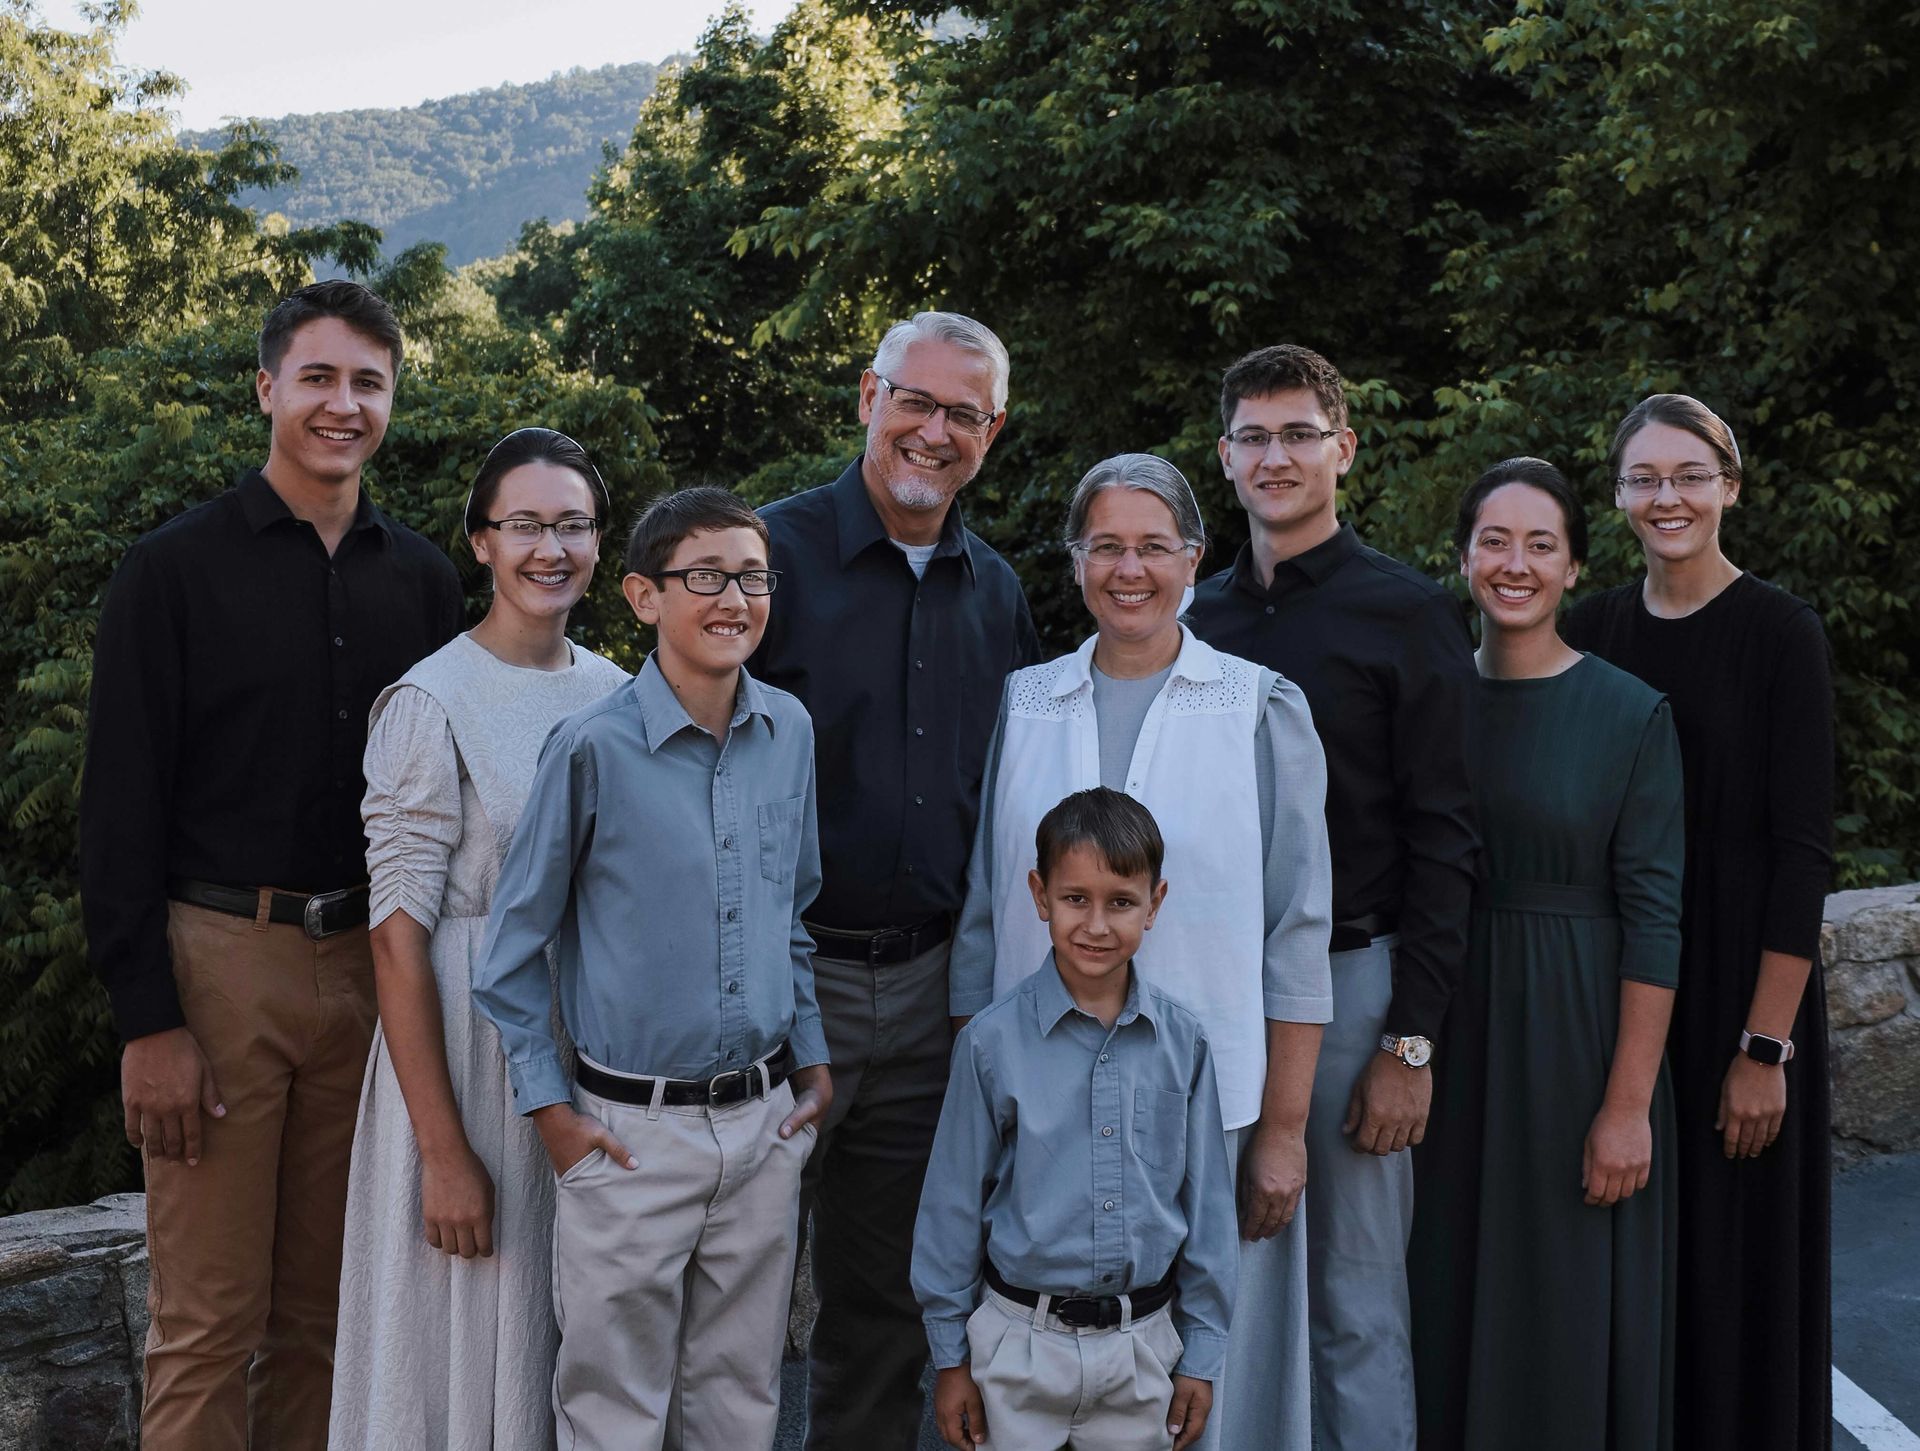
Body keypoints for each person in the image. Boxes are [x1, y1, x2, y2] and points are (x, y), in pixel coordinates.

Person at [78, 280, 464, 1450]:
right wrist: (149, 1018)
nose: (343, 404)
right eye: (318, 377)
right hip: (219, 966)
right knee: (206, 1320)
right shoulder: (172, 571)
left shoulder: (428, 582)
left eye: (367, 382)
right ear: (266, 388)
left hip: (374, 969)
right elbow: (117, 807)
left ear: (391, 399)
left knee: (327, 1315)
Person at [950, 452, 1332, 1451]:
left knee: (1204, 1385)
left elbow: (1297, 925)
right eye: (1105, 545)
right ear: (1075, 561)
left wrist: (1285, 1126)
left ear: (1195, 559)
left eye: (1153, 545)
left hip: (1213, 1105)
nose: (1130, 568)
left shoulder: (1259, 705)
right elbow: (988, 911)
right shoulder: (1026, 700)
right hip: (1033, 1107)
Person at [471, 486, 831, 1451]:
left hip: (762, 1130)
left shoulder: (788, 730)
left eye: (752, 577)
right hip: (629, 1136)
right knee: (614, 1411)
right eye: (705, 576)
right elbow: (508, 955)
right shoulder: (591, 748)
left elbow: (792, 909)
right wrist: (553, 1113)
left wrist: (814, 1055)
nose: (733, 599)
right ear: (642, 596)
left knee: (739, 1402)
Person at [747, 310, 1041, 1448]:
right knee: (724, 1285)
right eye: (913, 400)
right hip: (778, 985)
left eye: (961, 413)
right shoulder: (763, 557)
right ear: (867, 397)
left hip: (928, 995)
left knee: (885, 1303)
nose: (933, 430)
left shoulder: (998, 594)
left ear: (993, 431)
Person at [1182, 343, 1477, 1451]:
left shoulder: (1406, 614)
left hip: (1357, 992)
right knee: (1221, 1288)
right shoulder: (1190, 618)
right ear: (1224, 456)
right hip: (1211, 988)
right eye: (1253, 435)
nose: (1275, 455)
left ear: (1342, 448)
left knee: (1355, 1302)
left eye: (1298, 432)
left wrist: (1412, 1040)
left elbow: (1448, 842)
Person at [328, 429, 628, 1450]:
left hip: (592, 1043)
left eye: (574, 524)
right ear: (482, 543)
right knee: (466, 1338)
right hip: (466, 1045)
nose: (553, 547)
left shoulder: (621, 690)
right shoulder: (430, 701)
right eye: (527, 524)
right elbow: (396, 941)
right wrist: (443, 1150)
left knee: (577, 1342)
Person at [1563, 395, 1834, 1451]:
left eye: (1688, 473)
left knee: (1738, 1279)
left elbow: (1802, 852)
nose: (1665, 496)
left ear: (1730, 483)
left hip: (1737, 998)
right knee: (1634, 1271)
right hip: (1620, 993)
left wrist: (1764, 1045)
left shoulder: (1781, 633)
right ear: (1621, 493)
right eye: (1644, 477)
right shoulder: (1590, 631)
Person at [1409, 457, 1682, 1451]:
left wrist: (1626, 1107)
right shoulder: (1425, 697)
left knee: (1562, 1298)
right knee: (1439, 1284)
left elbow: (1657, 918)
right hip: (1443, 1030)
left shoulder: (1630, 711)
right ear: (1464, 557)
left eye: (1540, 544)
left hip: (1578, 1043)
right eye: (1494, 539)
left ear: (1574, 567)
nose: (1514, 563)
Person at [915, 788, 1237, 1451]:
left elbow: (1208, 1212)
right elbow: (949, 1207)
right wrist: (951, 1359)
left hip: (1143, 1349)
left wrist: (1201, 1354)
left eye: (1120, 901)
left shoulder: (1185, 1043)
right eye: (1074, 898)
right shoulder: (990, 1043)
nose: (1096, 923)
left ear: (1155, 902)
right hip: (1017, 1348)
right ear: (1040, 895)